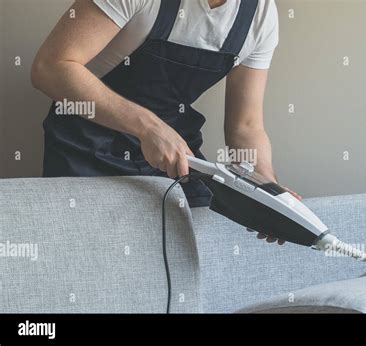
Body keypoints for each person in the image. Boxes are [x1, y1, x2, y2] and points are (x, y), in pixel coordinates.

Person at [32, 0, 300, 244]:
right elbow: (50, 67)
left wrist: (263, 184)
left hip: (176, 160)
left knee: (187, 259)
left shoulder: (259, 14)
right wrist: (147, 126)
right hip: (84, 147)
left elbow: (246, 125)